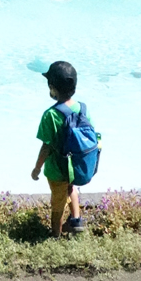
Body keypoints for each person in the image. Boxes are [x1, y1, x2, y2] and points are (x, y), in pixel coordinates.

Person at [31, 60, 95, 237]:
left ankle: (55, 235)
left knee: (57, 205)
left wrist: (37, 168)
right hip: (75, 166)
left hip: (57, 170)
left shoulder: (50, 115)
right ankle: (76, 219)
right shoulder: (83, 109)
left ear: (52, 87)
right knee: (71, 188)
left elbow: (46, 147)